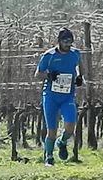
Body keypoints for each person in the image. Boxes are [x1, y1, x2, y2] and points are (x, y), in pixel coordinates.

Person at [34, 28, 85, 166]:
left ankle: (61, 142)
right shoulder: (49, 56)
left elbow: (79, 66)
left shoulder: (75, 54)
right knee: (52, 130)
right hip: (51, 96)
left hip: (67, 97)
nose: (68, 44)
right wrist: (49, 76)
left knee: (70, 126)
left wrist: (80, 77)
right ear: (59, 42)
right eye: (65, 41)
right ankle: (49, 157)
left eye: (70, 41)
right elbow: (38, 74)